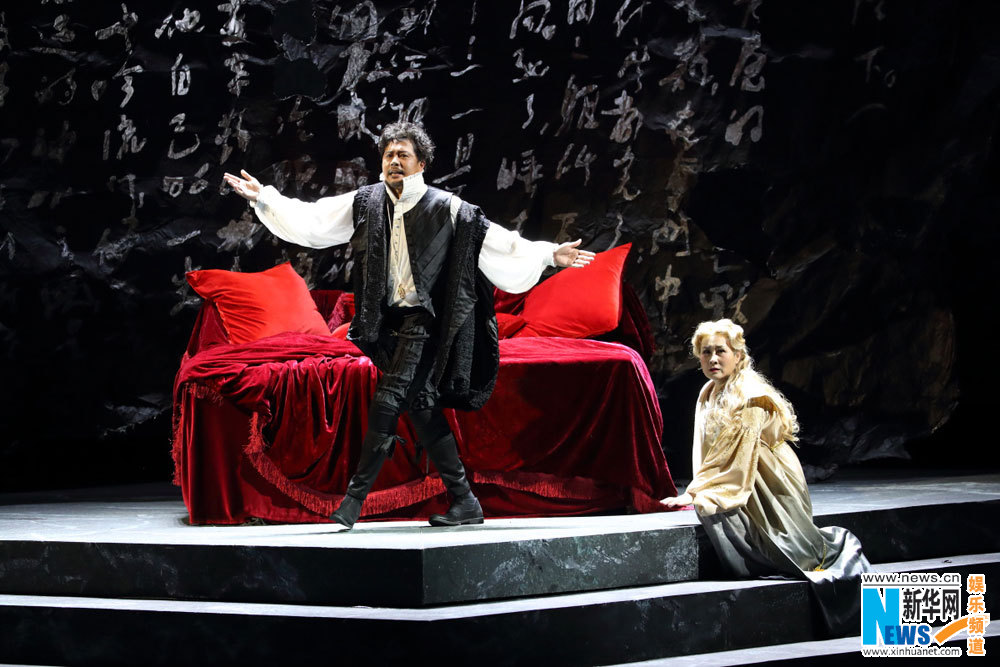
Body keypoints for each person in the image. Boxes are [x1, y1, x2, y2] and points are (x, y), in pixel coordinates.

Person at [223, 121, 594, 530]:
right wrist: (266, 198)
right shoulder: (367, 201)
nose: (394, 161)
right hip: (387, 324)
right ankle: (465, 501)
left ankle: (353, 501)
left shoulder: (447, 207)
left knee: (387, 401)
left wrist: (547, 254)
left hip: (428, 322)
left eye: (403, 155)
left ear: (421, 164)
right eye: (388, 155)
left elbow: (499, 241)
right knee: (421, 408)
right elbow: (315, 220)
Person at [661, 318, 870, 634]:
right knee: (713, 508)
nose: (713, 359)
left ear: (737, 355)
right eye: (706, 352)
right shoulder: (708, 391)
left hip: (768, 478)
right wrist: (699, 486)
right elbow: (707, 449)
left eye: (721, 351)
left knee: (792, 548)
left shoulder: (750, 395)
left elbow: (738, 455)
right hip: (737, 471)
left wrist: (696, 492)